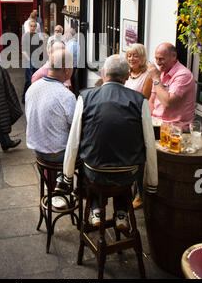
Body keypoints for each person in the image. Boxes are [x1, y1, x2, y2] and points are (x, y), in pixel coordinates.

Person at [57, 54, 158, 229]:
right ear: (127, 76)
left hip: (95, 172)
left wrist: (67, 176)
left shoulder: (85, 97)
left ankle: (96, 209)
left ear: (103, 73)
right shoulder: (140, 100)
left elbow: (73, 140)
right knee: (121, 168)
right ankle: (121, 212)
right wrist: (152, 184)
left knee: (89, 165)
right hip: (128, 174)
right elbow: (150, 143)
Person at [25, 48, 75, 207]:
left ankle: (55, 185)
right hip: (56, 155)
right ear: (67, 70)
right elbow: (76, 128)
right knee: (89, 149)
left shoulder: (32, 87)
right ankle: (76, 188)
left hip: (37, 150)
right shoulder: (66, 95)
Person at [125, 43, 153, 209]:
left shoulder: (147, 76)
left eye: (135, 55)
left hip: (138, 120)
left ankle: (140, 195)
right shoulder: (126, 74)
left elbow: (143, 100)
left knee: (138, 157)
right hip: (126, 120)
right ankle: (128, 188)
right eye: (129, 55)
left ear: (142, 58)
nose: (131, 59)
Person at [148, 43, 196, 131]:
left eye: (161, 59)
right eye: (156, 59)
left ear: (174, 56)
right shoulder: (161, 73)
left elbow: (167, 103)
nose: (158, 63)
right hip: (157, 124)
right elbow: (152, 100)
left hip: (176, 130)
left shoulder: (183, 75)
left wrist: (156, 78)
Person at [21, 20, 43, 103]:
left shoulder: (37, 36)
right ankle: (24, 98)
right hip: (28, 60)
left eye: (34, 26)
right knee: (28, 80)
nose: (33, 28)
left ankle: (34, 98)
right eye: (31, 26)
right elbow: (23, 51)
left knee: (36, 80)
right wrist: (29, 59)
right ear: (29, 26)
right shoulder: (25, 36)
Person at [65, 27, 80, 96]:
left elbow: (68, 59)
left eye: (65, 33)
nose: (64, 35)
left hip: (71, 68)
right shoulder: (71, 43)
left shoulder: (72, 44)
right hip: (72, 68)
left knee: (71, 87)